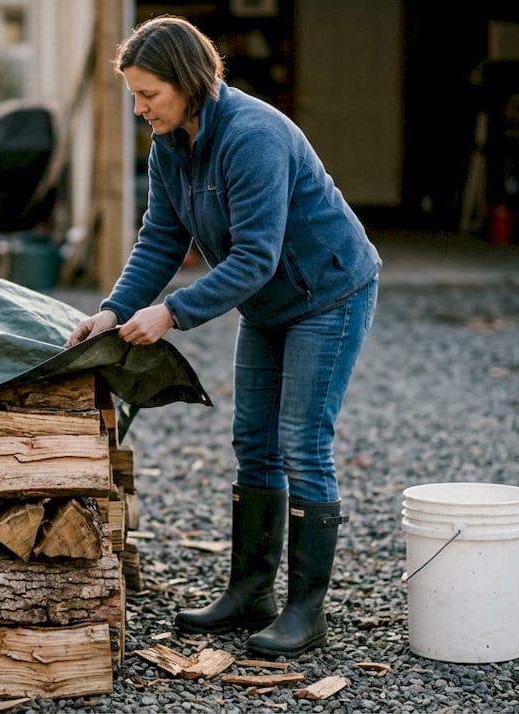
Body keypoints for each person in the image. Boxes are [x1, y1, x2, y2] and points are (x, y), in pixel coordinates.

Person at [65, 15, 380, 658]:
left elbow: (256, 256)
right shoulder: (170, 143)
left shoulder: (253, 137)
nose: (138, 107)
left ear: (187, 82)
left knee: (301, 442)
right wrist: (114, 309)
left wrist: (173, 314)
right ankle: (250, 594)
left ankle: (305, 611)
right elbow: (161, 236)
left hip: (328, 293)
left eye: (148, 93)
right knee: (252, 442)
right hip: (268, 304)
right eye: (133, 93)